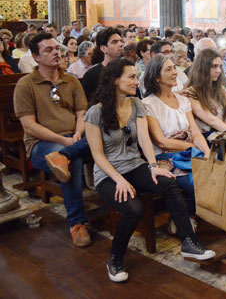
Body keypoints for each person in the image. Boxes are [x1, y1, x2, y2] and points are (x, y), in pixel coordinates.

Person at [85, 58, 214, 283]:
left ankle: (189, 242)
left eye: (137, 76)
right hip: (108, 174)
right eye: (132, 77)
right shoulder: (95, 112)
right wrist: (118, 180)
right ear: (115, 81)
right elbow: (97, 155)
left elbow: (145, 141)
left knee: (169, 182)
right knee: (132, 209)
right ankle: (115, 259)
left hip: (136, 166)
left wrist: (154, 167)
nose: (137, 81)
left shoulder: (137, 105)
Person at [14, 33, 92, 246]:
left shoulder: (71, 80)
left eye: (56, 48)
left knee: (108, 138)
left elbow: (81, 113)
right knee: (72, 160)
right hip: (42, 144)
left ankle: (119, 205)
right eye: (48, 50)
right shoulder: (26, 84)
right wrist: (64, 141)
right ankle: (77, 224)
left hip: (74, 138)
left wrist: (76, 134)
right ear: (36, 57)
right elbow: (29, 125)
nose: (56, 52)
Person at [142, 55, 210, 216]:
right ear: (157, 77)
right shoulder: (148, 104)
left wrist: (206, 152)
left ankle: (194, 215)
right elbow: (161, 141)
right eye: (168, 69)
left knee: (217, 175)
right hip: (168, 157)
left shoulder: (183, 100)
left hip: (190, 152)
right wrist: (192, 147)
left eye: (174, 68)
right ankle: (187, 219)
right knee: (197, 184)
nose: (175, 72)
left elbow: (195, 132)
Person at [183, 49, 226, 140]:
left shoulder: (222, 90)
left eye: (220, 66)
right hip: (206, 139)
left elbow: (225, 124)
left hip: (222, 135)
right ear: (203, 68)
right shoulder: (190, 93)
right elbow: (211, 120)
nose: (218, 71)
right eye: (214, 66)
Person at [82, 27, 124, 102]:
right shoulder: (91, 75)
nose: (121, 44)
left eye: (121, 41)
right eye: (114, 42)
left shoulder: (127, 70)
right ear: (103, 48)